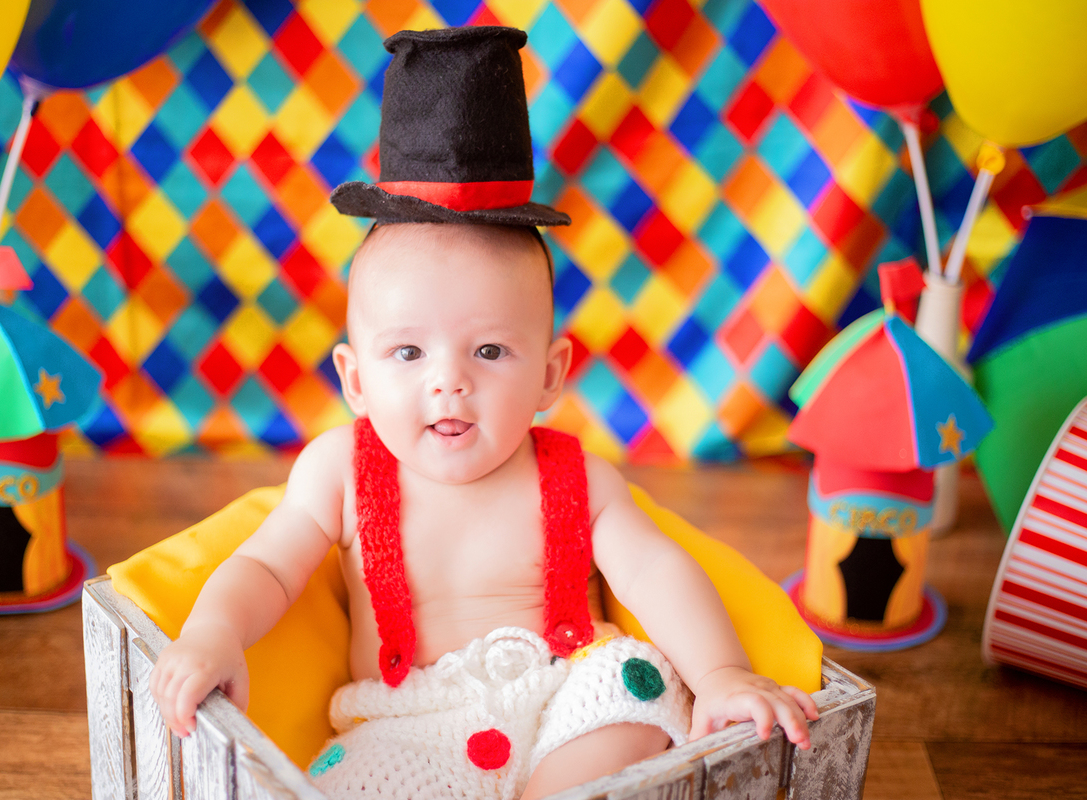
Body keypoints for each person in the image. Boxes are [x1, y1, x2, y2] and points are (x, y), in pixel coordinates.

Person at [150, 26, 818, 800]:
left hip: (567, 693)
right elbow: (265, 566)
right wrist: (213, 633)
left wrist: (721, 671)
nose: (449, 385)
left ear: (550, 373)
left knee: (631, 696)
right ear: (354, 377)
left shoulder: (577, 477)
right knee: (347, 784)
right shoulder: (338, 471)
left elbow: (656, 569)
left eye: (491, 353)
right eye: (408, 355)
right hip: (405, 727)